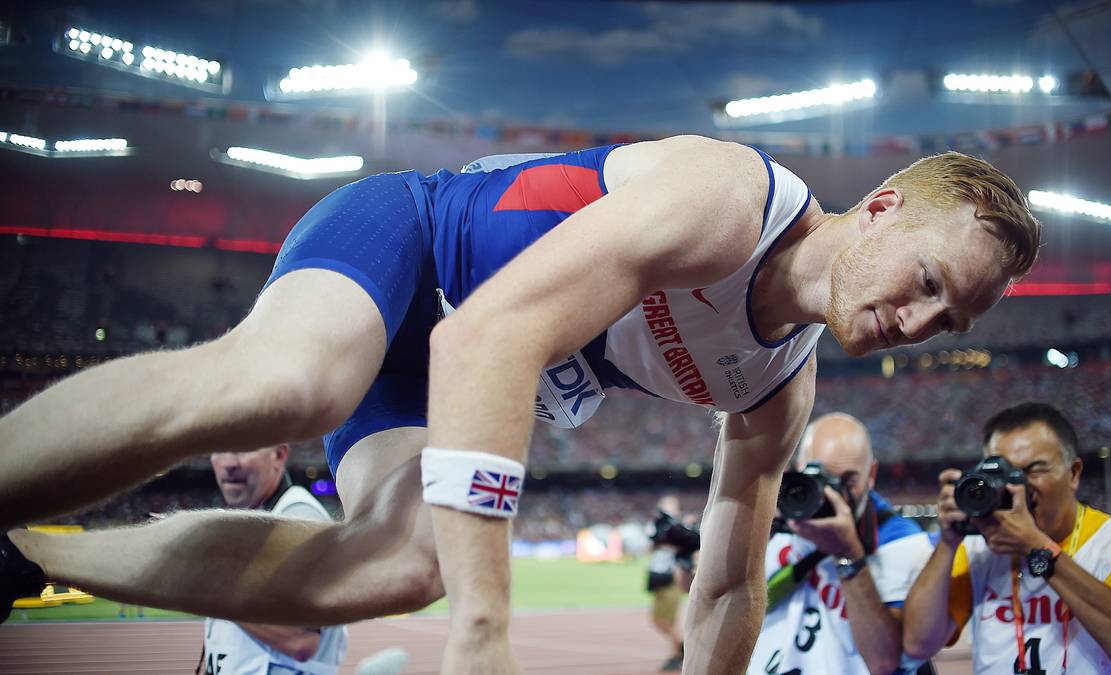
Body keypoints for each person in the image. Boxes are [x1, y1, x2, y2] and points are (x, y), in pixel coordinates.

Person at [0, 135, 1039, 673]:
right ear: (887, 206)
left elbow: (725, 592)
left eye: (947, 324)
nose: (918, 321)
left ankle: (30, 556)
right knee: (289, 383)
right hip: (411, 249)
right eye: (931, 282)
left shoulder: (776, 388)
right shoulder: (731, 201)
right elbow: (486, 334)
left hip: (437, 371)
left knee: (403, 562)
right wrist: (482, 630)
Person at [902, 402, 1111, 674]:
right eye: (1002, 473)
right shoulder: (977, 549)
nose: (1017, 486)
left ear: (1074, 473)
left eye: (1034, 471)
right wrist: (948, 543)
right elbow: (917, 644)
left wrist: (1035, 545)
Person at [747, 413, 934, 675]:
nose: (832, 494)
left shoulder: (903, 543)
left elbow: (884, 663)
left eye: (848, 482)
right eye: (820, 479)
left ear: (871, 474)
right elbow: (703, 589)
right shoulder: (779, 519)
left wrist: (848, 553)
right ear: (798, 469)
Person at [201, 444, 348, 675]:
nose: (228, 463)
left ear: (279, 455)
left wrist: (209, 588)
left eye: (242, 448)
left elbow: (301, 641)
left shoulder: (298, 518)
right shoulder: (250, 517)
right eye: (219, 447)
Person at [645, 495, 693, 671]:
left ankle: (677, 653)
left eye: (670, 507)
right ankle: (682, 648)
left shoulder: (680, 527)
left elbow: (686, 546)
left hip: (672, 577)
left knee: (668, 621)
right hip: (657, 576)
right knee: (657, 620)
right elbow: (648, 548)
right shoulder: (657, 526)